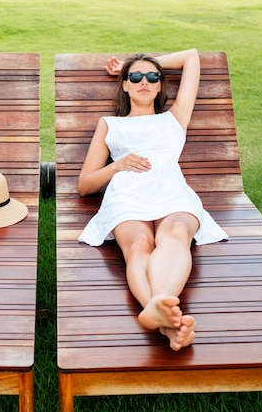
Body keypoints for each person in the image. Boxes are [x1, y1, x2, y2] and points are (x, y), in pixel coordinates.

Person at [77, 49, 228, 351]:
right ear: (124, 85)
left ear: (160, 85)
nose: (143, 81)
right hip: (127, 193)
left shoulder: (175, 117)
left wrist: (130, 61)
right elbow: (84, 185)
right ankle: (164, 316)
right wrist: (117, 165)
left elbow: (191, 57)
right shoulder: (111, 124)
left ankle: (159, 307)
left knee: (175, 234)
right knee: (139, 246)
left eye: (152, 76)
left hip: (171, 189)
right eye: (135, 76)